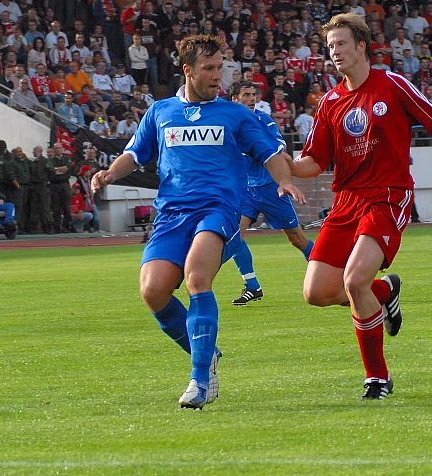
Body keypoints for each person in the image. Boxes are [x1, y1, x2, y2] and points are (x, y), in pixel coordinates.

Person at [92, 35, 303, 409]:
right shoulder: (161, 112)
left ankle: (200, 379)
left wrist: (284, 180)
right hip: (172, 214)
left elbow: (270, 153)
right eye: (209, 69)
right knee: (153, 291)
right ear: (187, 70)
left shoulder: (235, 114)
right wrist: (110, 173)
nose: (218, 76)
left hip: (218, 210)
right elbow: (135, 154)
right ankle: (206, 353)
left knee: (196, 278)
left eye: (220, 68)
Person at [291, 14, 432, 400]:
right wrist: (280, 162)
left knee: (354, 281)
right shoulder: (330, 102)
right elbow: (312, 163)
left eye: (341, 44)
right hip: (346, 202)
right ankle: (384, 292)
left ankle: (377, 378)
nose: (335, 52)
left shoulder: (392, 84)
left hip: (386, 196)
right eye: (330, 46)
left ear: (361, 46)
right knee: (316, 292)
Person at [227, 81, 315, 305]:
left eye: (253, 95)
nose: (252, 99)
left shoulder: (263, 120)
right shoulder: (226, 123)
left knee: (296, 239)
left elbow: (279, 149)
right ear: (234, 99)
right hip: (245, 189)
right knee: (234, 236)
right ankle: (252, 285)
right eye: (246, 95)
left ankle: (330, 269)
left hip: (270, 187)